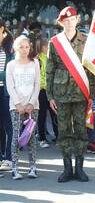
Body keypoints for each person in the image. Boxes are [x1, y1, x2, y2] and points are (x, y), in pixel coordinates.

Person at [46, 6, 95, 183]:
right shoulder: (55, 42)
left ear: (77, 20)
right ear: (61, 23)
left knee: (81, 130)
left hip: (81, 92)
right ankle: (67, 168)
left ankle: (80, 168)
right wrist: (50, 96)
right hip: (61, 93)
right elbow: (50, 69)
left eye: (72, 19)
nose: (69, 22)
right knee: (64, 131)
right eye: (65, 20)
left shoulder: (86, 40)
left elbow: (91, 69)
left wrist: (91, 94)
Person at [6, 35, 40, 179]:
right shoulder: (11, 65)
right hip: (16, 106)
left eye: (27, 47)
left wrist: (32, 102)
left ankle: (33, 167)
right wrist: (18, 104)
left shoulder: (35, 63)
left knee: (31, 136)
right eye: (21, 47)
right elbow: (10, 85)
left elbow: (37, 84)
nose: (25, 50)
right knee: (16, 136)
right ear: (15, 48)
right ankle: (15, 168)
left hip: (33, 106)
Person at [37, 38, 58, 148]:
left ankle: (58, 136)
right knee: (42, 115)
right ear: (42, 47)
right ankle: (42, 138)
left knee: (55, 113)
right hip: (41, 91)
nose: (48, 48)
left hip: (52, 90)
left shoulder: (51, 58)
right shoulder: (38, 59)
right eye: (47, 46)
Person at [0, 20, 14, 173]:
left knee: (9, 126)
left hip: (7, 92)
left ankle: (9, 158)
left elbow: (12, 72)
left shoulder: (10, 47)